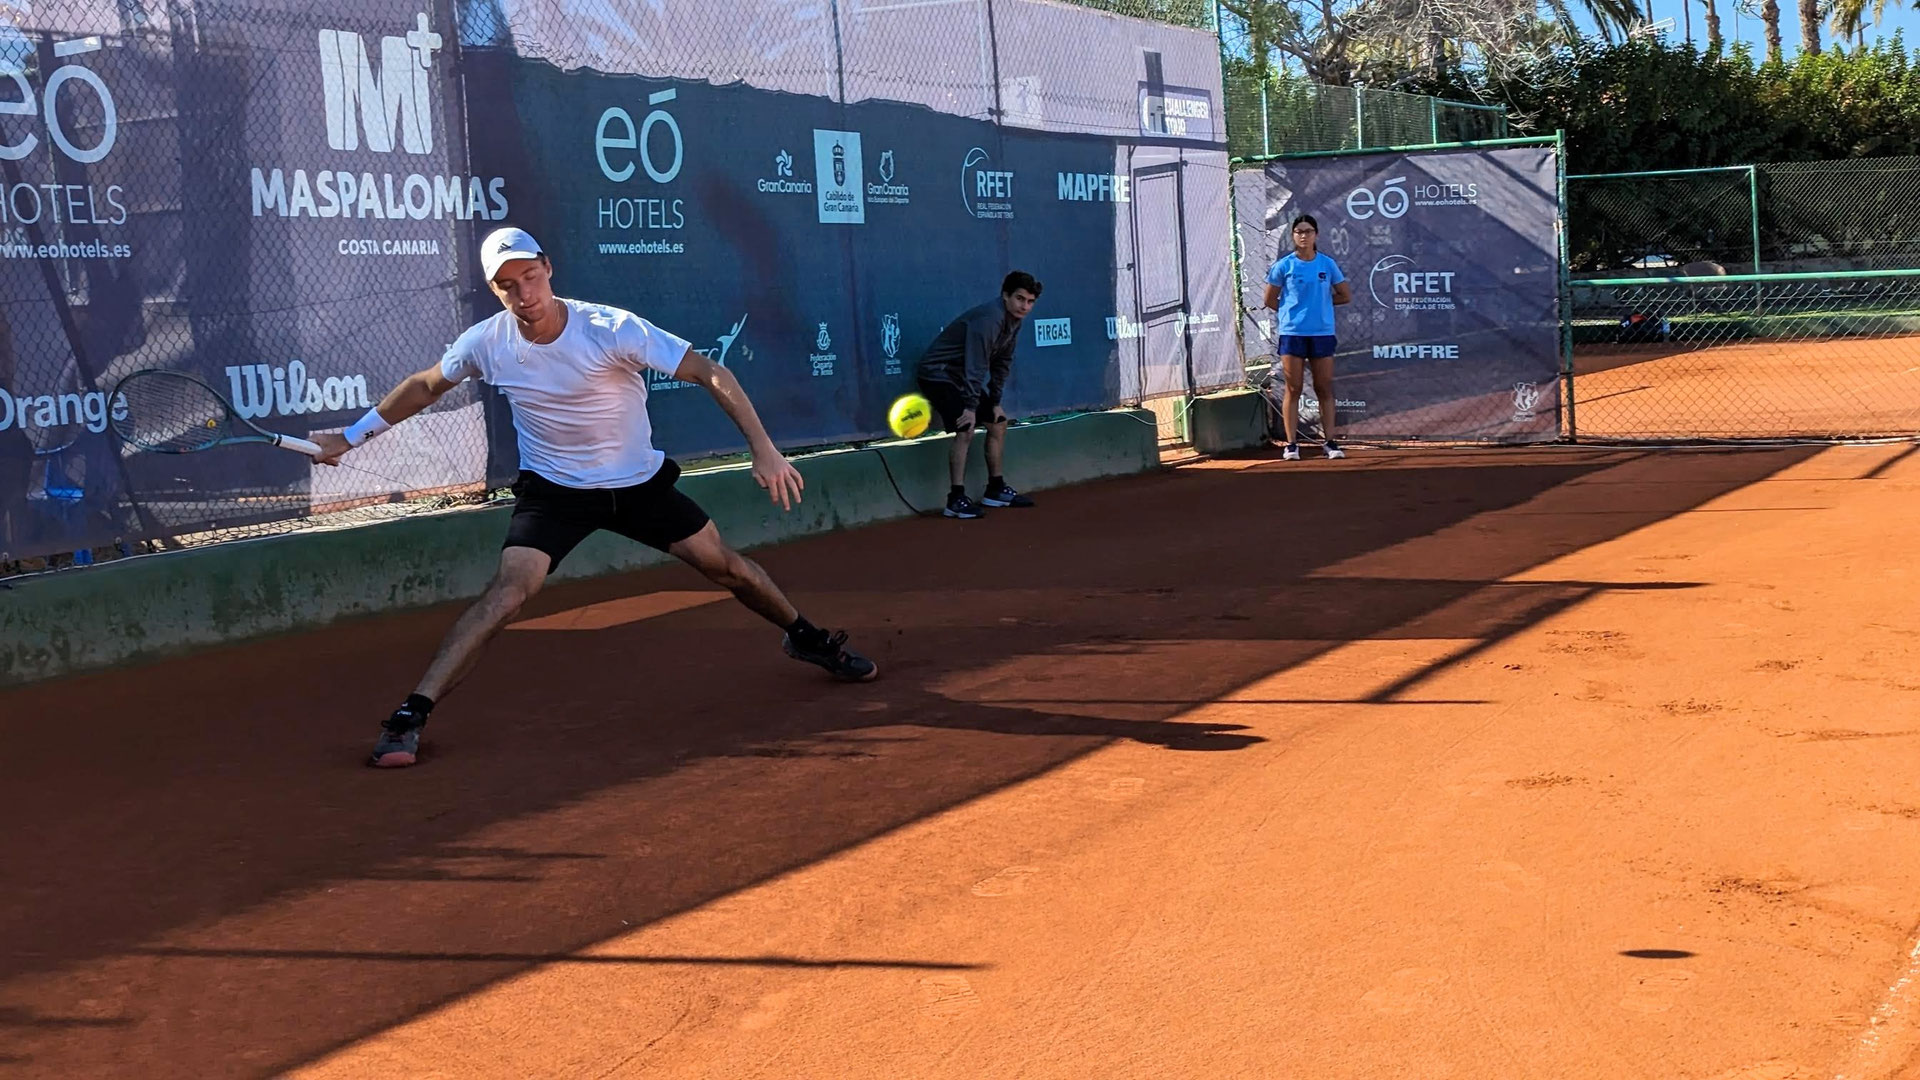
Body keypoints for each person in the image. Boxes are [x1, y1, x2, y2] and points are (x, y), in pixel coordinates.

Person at [311, 227, 877, 768]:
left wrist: (764, 449)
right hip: (555, 492)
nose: (524, 294)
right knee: (508, 593)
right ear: (493, 289)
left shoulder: (610, 328)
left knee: (726, 567)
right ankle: (411, 713)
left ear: (548, 268)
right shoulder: (487, 342)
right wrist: (351, 437)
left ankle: (805, 637)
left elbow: (709, 371)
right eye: (508, 285)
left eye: (531, 277)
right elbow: (425, 385)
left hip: (637, 486)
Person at [915, 271, 1042, 519]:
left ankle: (995, 489)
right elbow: (976, 365)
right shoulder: (990, 319)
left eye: (1030, 301)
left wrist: (994, 402)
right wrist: (970, 408)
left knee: (998, 423)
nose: (1025, 306)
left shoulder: (1014, 321)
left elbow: (1002, 362)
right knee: (966, 427)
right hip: (937, 374)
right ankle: (955, 499)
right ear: (1005, 296)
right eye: (1019, 299)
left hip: (959, 375)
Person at [1262, 214, 1351, 461]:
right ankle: (1291, 445)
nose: (1303, 235)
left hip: (1322, 333)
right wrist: (1291, 313)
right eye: (1299, 231)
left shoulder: (1327, 264)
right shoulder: (1283, 266)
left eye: (1308, 231)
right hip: (1293, 334)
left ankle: (1330, 442)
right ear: (1293, 236)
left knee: (1323, 387)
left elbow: (1344, 295)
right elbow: (1269, 299)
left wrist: (1321, 304)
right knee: (1294, 388)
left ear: (1316, 235)